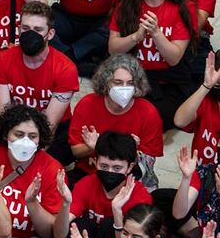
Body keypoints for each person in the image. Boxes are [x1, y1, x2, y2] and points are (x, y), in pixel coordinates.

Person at [108, 0, 197, 130]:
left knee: (147, 122)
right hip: (130, 77)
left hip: (167, 83)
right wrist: (135, 37)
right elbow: (112, 49)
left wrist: (156, 33)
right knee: (113, 115)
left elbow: (174, 58)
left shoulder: (183, 6)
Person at [0, 0, 79, 164]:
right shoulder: (2, 61)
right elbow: (3, 116)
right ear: (18, 29)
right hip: (15, 126)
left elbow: (50, 126)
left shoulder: (65, 69)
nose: (31, 34)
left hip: (51, 131)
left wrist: (29, 160)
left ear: (50, 34)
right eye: (25, 29)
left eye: (38, 30)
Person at [0, 103, 63, 238]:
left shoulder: (52, 169)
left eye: (32, 136)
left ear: (40, 139)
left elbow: (49, 232)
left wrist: (32, 203)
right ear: (6, 134)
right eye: (18, 134)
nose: (25, 141)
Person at [68, 54, 162, 183]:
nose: (124, 88)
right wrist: (92, 148)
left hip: (127, 177)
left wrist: (132, 152)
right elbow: (76, 151)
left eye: (130, 83)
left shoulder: (148, 113)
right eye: (118, 82)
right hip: (89, 172)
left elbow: (149, 163)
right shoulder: (87, 104)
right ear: (106, 82)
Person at [54, 131, 152, 238]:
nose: (110, 172)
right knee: (79, 224)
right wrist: (66, 204)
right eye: (104, 166)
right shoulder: (85, 185)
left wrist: (117, 211)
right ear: (96, 162)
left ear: (130, 167)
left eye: (117, 168)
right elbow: (59, 237)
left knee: (108, 225)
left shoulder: (141, 197)